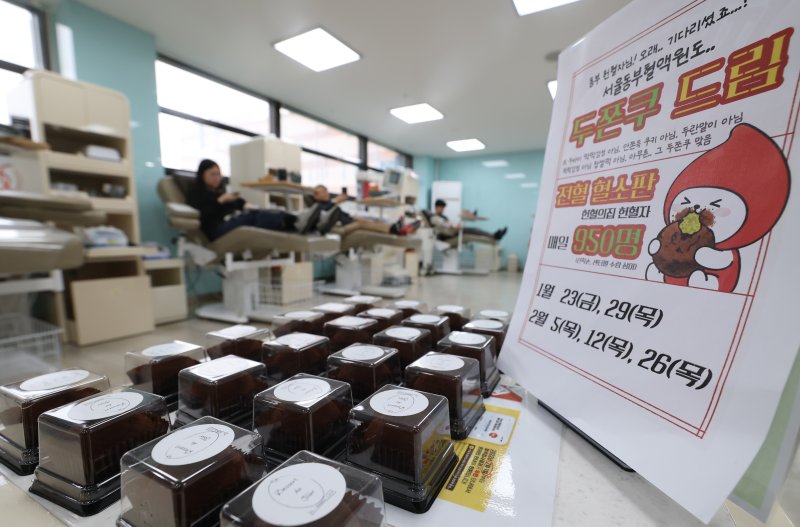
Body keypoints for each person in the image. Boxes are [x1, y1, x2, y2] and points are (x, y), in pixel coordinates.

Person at [186, 159, 319, 241]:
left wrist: (247, 205)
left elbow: (241, 203)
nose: (217, 178)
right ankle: (298, 221)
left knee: (264, 212)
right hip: (217, 229)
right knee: (249, 218)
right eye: (213, 174)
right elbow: (201, 214)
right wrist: (220, 201)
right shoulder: (195, 193)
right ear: (202, 174)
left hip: (233, 220)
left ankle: (306, 223)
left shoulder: (221, 192)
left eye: (218, 174)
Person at [310, 184, 417, 236]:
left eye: (326, 191)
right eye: (322, 192)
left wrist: (354, 218)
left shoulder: (330, 204)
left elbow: (342, 214)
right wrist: (335, 201)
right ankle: (394, 230)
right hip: (341, 226)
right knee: (363, 224)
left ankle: (395, 229)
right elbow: (325, 215)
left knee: (370, 221)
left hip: (348, 222)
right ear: (315, 196)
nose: (326, 193)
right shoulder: (317, 207)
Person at [430, 199, 506, 241]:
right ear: (437, 207)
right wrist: (455, 226)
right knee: (475, 230)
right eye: (442, 208)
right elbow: (445, 224)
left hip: (454, 231)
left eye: (443, 208)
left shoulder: (443, 216)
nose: (443, 209)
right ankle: (494, 236)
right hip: (450, 234)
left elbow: (448, 223)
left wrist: (455, 225)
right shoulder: (434, 218)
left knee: (475, 229)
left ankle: (494, 235)